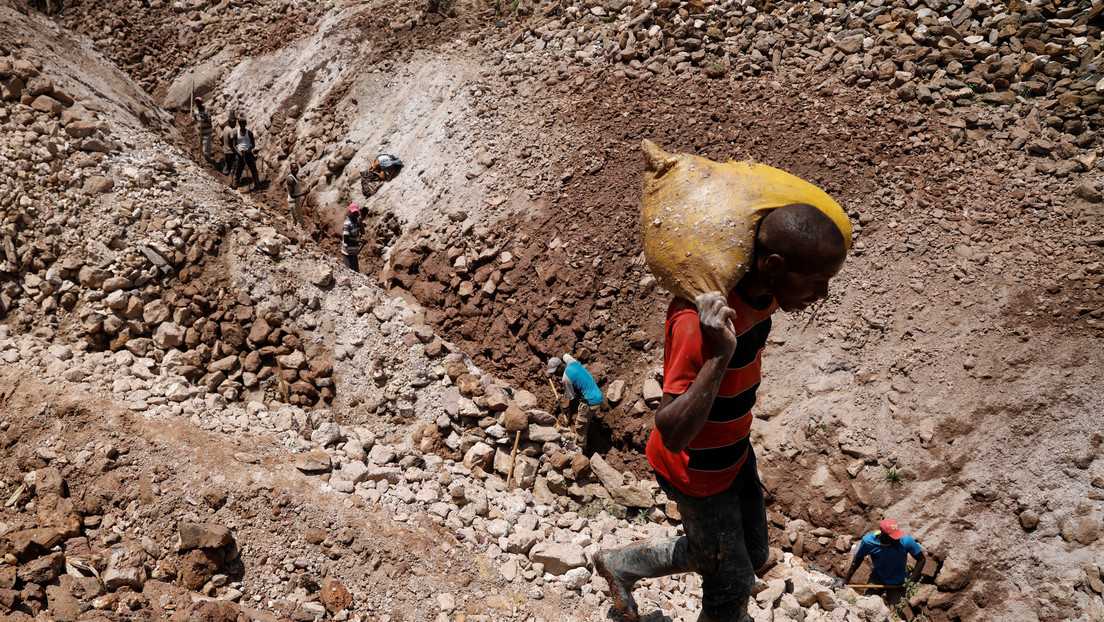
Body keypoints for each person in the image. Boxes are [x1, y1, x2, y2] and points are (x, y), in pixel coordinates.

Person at [593, 203, 850, 622]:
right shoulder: (698, 323)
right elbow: (673, 431)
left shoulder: (767, 295)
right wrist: (719, 356)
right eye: (816, 280)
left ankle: (623, 564)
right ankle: (648, 568)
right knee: (731, 586)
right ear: (774, 265)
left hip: (733, 452)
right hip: (695, 472)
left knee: (753, 553)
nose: (822, 294)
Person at [842, 518, 926, 609]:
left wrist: (910, 582)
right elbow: (858, 559)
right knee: (865, 607)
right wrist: (847, 579)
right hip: (878, 578)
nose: (898, 539)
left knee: (895, 614)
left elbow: (921, 559)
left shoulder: (906, 541)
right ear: (884, 536)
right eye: (894, 537)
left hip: (898, 582)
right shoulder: (869, 542)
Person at [546, 354, 603, 450]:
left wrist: (568, 417)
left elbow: (572, 400)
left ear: (560, 367)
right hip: (598, 395)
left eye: (555, 372)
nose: (555, 375)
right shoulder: (571, 362)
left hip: (590, 402)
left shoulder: (566, 379)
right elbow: (563, 355)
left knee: (580, 428)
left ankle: (582, 450)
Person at [284, 163, 318, 227]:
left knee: (294, 221)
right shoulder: (291, 179)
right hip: (293, 202)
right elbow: (292, 195)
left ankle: (294, 233)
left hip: (294, 202)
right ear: (290, 169)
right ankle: (301, 236)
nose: (296, 169)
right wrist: (303, 194)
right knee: (300, 223)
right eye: (294, 168)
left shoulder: (294, 177)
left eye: (297, 168)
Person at [232, 117, 261, 190]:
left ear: (245, 124)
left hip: (248, 153)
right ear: (239, 124)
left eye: (243, 123)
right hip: (240, 154)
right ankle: (235, 185)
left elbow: (253, 144)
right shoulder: (236, 133)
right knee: (237, 170)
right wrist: (239, 153)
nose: (242, 125)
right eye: (241, 123)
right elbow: (234, 145)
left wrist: (248, 149)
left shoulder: (249, 133)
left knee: (253, 169)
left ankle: (257, 185)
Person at [341, 203, 363, 273]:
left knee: (356, 272)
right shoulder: (347, 224)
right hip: (347, 252)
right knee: (350, 272)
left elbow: (363, 232)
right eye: (353, 213)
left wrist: (361, 222)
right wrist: (359, 241)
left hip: (354, 251)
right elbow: (346, 240)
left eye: (356, 212)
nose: (355, 214)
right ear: (350, 212)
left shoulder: (357, 222)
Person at [192, 97, 213, 163]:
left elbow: (210, 122)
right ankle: (203, 162)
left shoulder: (207, 110)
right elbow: (195, 120)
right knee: (200, 149)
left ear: (201, 102)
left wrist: (205, 118)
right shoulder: (195, 111)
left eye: (199, 102)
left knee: (205, 151)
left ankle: (208, 161)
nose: (198, 103)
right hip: (200, 132)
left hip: (207, 133)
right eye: (197, 102)